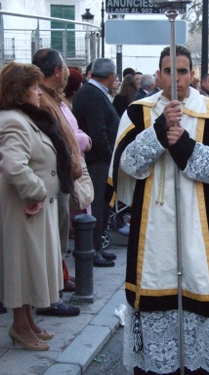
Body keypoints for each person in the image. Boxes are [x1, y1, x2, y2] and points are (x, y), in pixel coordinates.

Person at [108, 45, 209, 375]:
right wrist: (159, 132)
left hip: (197, 221)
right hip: (153, 223)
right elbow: (128, 165)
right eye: (167, 71)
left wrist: (185, 144)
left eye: (183, 71)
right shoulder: (137, 112)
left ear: (193, 74)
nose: (175, 78)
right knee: (156, 291)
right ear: (156, 75)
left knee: (204, 291)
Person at [0, 62, 74, 350]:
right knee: (22, 266)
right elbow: (13, 165)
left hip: (34, 207)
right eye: (32, 87)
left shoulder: (23, 117)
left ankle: (28, 320)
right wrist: (38, 192)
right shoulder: (13, 120)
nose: (38, 93)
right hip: (24, 207)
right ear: (20, 92)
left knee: (33, 264)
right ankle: (19, 326)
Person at [32, 49, 82, 316]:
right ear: (57, 71)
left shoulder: (52, 97)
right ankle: (48, 299)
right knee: (51, 242)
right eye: (64, 67)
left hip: (59, 179)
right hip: (50, 181)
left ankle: (52, 294)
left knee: (57, 240)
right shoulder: (40, 99)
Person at [73, 58, 120, 267]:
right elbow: (98, 130)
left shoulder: (95, 93)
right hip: (97, 161)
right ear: (110, 76)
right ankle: (92, 249)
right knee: (97, 205)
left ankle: (98, 246)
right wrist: (109, 155)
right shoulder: (92, 94)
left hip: (101, 160)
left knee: (103, 204)